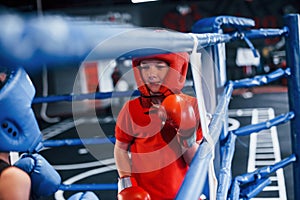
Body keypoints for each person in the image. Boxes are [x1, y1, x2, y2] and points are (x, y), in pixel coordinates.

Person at [114, 52, 203, 200]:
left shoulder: (192, 106)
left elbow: (195, 162)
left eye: (160, 67)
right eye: (145, 67)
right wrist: (126, 183)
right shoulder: (131, 109)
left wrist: (185, 131)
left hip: (184, 193)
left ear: (176, 69)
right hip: (144, 195)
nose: (151, 74)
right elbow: (120, 148)